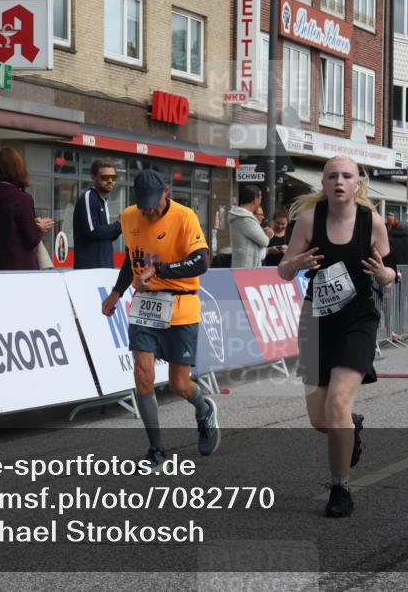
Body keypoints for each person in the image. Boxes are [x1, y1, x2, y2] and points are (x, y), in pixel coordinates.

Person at [277, 156, 397, 518]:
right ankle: (351, 429)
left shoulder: (372, 223)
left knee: (338, 404)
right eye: (332, 176)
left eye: (347, 176)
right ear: (323, 184)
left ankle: (340, 489)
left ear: (358, 183)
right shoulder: (310, 220)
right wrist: (296, 265)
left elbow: (392, 272)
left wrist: (383, 273)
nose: (339, 182)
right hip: (316, 323)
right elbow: (284, 270)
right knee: (320, 420)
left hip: (357, 321)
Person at [101, 169, 218, 471]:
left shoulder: (184, 217)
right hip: (144, 307)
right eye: (144, 206)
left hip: (181, 304)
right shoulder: (129, 217)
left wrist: (161, 271)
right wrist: (116, 293)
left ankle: (204, 410)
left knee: (179, 384)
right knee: (143, 376)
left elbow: (202, 261)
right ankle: (156, 450)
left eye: (154, 203)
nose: (150, 211)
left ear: (166, 192)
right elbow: (131, 259)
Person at [0, 147, 53, 270]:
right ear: (17, 168)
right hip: (19, 270)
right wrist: (39, 227)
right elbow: (31, 239)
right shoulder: (21, 200)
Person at [73, 159, 122, 269]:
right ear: (94, 178)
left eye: (113, 178)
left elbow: (106, 236)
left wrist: (121, 226)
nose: (110, 181)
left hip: (104, 268)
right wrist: (118, 225)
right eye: (105, 177)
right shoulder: (89, 197)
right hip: (89, 270)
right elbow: (93, 231)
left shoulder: (102, 201)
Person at [229, 184, 273, 269]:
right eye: (260, 198)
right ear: (255, 199)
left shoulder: (239, 216)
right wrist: (268, 234)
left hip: (241, 266)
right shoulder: (246, 219)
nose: (260, 201)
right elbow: (264, 241)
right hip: (247, 268)